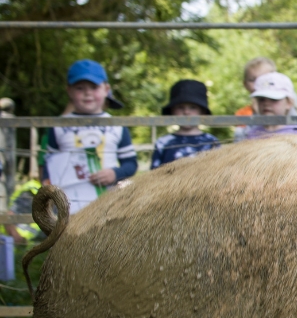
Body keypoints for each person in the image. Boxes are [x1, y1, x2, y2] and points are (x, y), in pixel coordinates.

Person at [41, 60, 137, 214]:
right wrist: (48, 187)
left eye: (94, 87)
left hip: (108, 205)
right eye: (80, 88)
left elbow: (131, 163)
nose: (88, 93)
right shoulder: (58, 126)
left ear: (106, 89)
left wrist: (115, 174)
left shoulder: (117, 125)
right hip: (67, 207)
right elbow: (49, 163)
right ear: (69, 91)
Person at [152, 80, 220, 168]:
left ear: (202, 111)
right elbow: (154, 174)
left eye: (193, 107)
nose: (186, 112)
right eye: (180, 107)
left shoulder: (212, 142)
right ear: (172, 111)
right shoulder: (163, 143)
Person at [244, 72, 297, 140]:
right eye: (261, 99)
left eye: (274, 99)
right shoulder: (252, 134)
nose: (266, 103)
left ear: (289, 103)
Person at [234, 57, 276, 142]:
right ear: (245, 84)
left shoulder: (284, 105)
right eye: (252, 80)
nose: (258, 84)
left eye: (264, 79)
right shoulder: (242, 114)